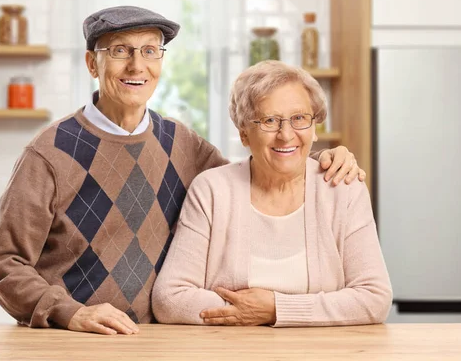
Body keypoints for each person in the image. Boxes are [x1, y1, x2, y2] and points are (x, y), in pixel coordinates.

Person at [0, 6, 366, 336]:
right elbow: (5, 264)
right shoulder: (49, 152)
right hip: (72, 341)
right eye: (120, 51)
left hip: (157, 340)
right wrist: (73, 314)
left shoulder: (180, 143)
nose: (137, 65)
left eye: (150, 50)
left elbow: (259, 176)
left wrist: (325, 161)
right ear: (91, 63)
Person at [152, 60, 392, 327]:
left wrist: (277, 310)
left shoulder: (343, 189)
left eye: (299, 118)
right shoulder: (211, 190)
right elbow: (169, 299)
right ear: (244, 134)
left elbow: (375, 298)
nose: (286, 134)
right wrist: (246, 312)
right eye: (269, 121)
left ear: (314, 129)